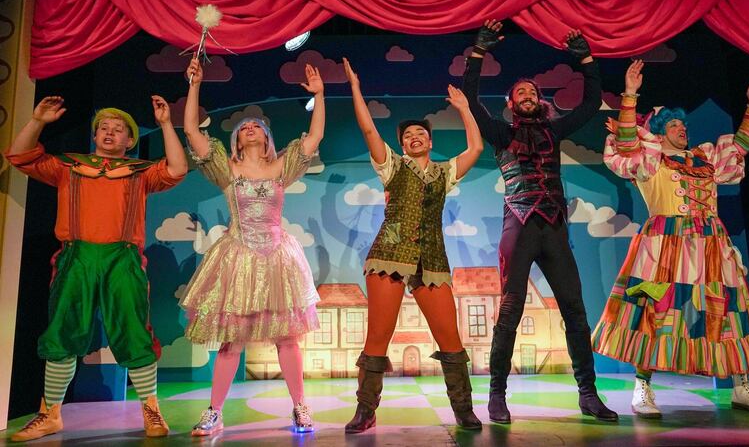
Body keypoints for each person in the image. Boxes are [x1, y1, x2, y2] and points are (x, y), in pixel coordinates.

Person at [593, 60, 749, 418]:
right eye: (674, 125)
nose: (682, 129)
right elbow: (629, 141)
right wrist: (630, 95)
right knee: (655, 311)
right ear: (660, 133)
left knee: (728, 311)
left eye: (683, 124)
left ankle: (742, 385)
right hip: (665, 245)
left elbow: (738, 148)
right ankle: (643, 387)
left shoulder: (704, 158)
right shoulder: (650, 160)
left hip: (710, 243)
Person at [6, 95, 187, 441]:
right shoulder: (69, 167)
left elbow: (177, 168)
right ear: (94, 135)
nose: (109, 132)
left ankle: (150, 408)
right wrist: (37, 121)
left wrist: (165, 124)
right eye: (103, 127)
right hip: (77, 257)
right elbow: (20, 155)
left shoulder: (139, 173)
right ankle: (50, 413)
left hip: (123, 258)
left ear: (129, 141)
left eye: (118, 129)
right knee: (62, 330)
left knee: (134, 330)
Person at [463, 20, 618, 422]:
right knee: (511, 310)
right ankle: (497, 396)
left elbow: (588, 105)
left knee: (575, 311)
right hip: (519, 227)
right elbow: (470, 99)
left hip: (554, 230)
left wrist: (586, 60)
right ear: (512, 104)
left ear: (540, 101)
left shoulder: (553, 130)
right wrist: (478, 52)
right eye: (521, 93)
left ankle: (588, 393)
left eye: (533, 91)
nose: (528, 95)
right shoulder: (499, 133)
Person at [180, 58, 324, 435]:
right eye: (243, 127)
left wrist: (320, 95)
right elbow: (193, 133)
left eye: (256, 126)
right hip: (238, 257)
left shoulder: (281, 167)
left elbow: (313, 139)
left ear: (266, 137)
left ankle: (300, 408)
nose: (249, 128)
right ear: (236, 140)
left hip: (277, 255)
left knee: (287, 338)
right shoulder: (227, 169)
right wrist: (194, 85)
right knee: (232, 341)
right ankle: (214, 412)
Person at [342, 58, 484, 433]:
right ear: (403, 145)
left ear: (430, 142)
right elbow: (369, 129)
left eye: (420, 134)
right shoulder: (392, 167)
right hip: (389, 251)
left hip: (431, 257)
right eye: (407, 136)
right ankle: (365, 410)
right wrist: (356, 89)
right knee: (378, 335)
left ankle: (464, 410)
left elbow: (476, 148)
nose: (414, 137)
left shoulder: (444, 173)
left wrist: (466, 110)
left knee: (449, 337)